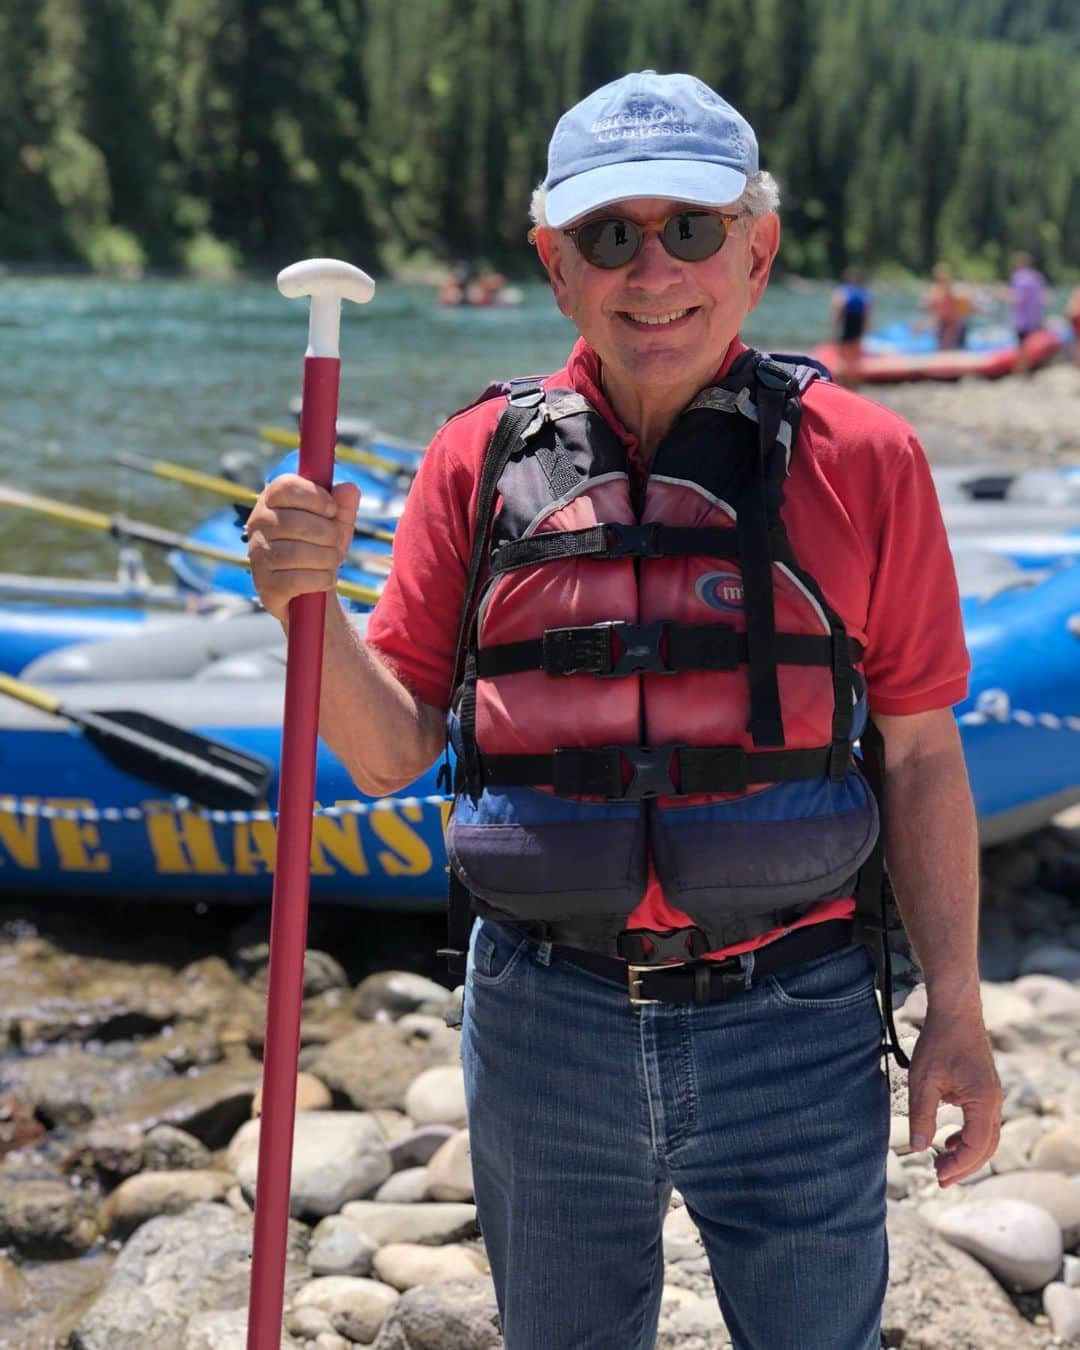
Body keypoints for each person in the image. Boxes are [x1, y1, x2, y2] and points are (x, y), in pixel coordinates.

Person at [246, 70, 1001, 1350]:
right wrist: (300, 609)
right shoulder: (477, 461)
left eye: (690, 230)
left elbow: (923, 754)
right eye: (609, 236)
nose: (652, 274)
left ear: (757, 252)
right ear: (555, 264)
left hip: (799, 1014)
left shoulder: (868, 457)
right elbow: (384, 760)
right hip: (547, 1022)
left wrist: (961, 1015)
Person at [828, 265, 871, 385]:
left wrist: (833, 326)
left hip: (847, 324)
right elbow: (867, 312)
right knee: (855, 356)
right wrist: (865, 328)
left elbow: (838, 308)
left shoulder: (843, 291)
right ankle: (855, 382)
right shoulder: (863, 293)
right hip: (858, 325)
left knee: (843, 356)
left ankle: (842, 382)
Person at [1008, 250, 1048, 374]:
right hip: (1035, 319)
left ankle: (1021, 372)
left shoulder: (1018, 277)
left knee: (1021, 348)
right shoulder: (1037, 277)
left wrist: (1003, 295)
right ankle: (1030, 370)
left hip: (1022, 320)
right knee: (1030, 347)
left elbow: (1018, 299)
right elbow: (1044, 299)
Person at [923, 261, 971, 349]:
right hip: (944, 322)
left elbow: (954, 312)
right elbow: (931, 308)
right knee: (944, 346)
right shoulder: (935, 291)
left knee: (952, 346)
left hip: (952, 323)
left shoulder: (952, 292)